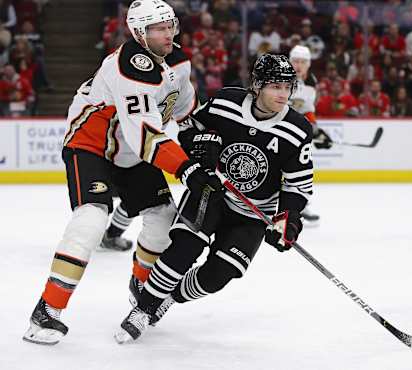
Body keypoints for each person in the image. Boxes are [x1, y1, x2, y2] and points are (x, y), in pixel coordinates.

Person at [22, 0, 222, 345]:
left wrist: (209, 145)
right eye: (158, 29)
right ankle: (46, 310)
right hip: (92, 146)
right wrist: (186, 168)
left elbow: (186, 112)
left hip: (129, 150)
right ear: (138, 33)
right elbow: (145, 135)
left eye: (169, 25)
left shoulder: (178, 60)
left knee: (163, 217)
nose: (168, 33)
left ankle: (142, 287)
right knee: (91, 219)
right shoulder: (128, 68)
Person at [114, 54, 314, 343]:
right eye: (275, 87)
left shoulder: (298, 130)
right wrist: (199, 146)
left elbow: (298, 186)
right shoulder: (226, 102)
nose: (283, 94)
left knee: (220, 274)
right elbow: (188, 129)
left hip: (254, 212)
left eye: (287, 87)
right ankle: (144, 309)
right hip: (212, 191)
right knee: (184, 248)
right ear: (257, 86)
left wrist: (288, 219)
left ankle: (169, 296)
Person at [288, 45, 332, 225]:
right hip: (274, 127)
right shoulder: (281, 77)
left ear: (309, 64)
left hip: (294, 131)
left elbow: (306, 109)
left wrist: (315, 129)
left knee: (301, 166)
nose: (299, 65)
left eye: (303, 62)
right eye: (295, 61)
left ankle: (299, 204)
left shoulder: (311, 82)